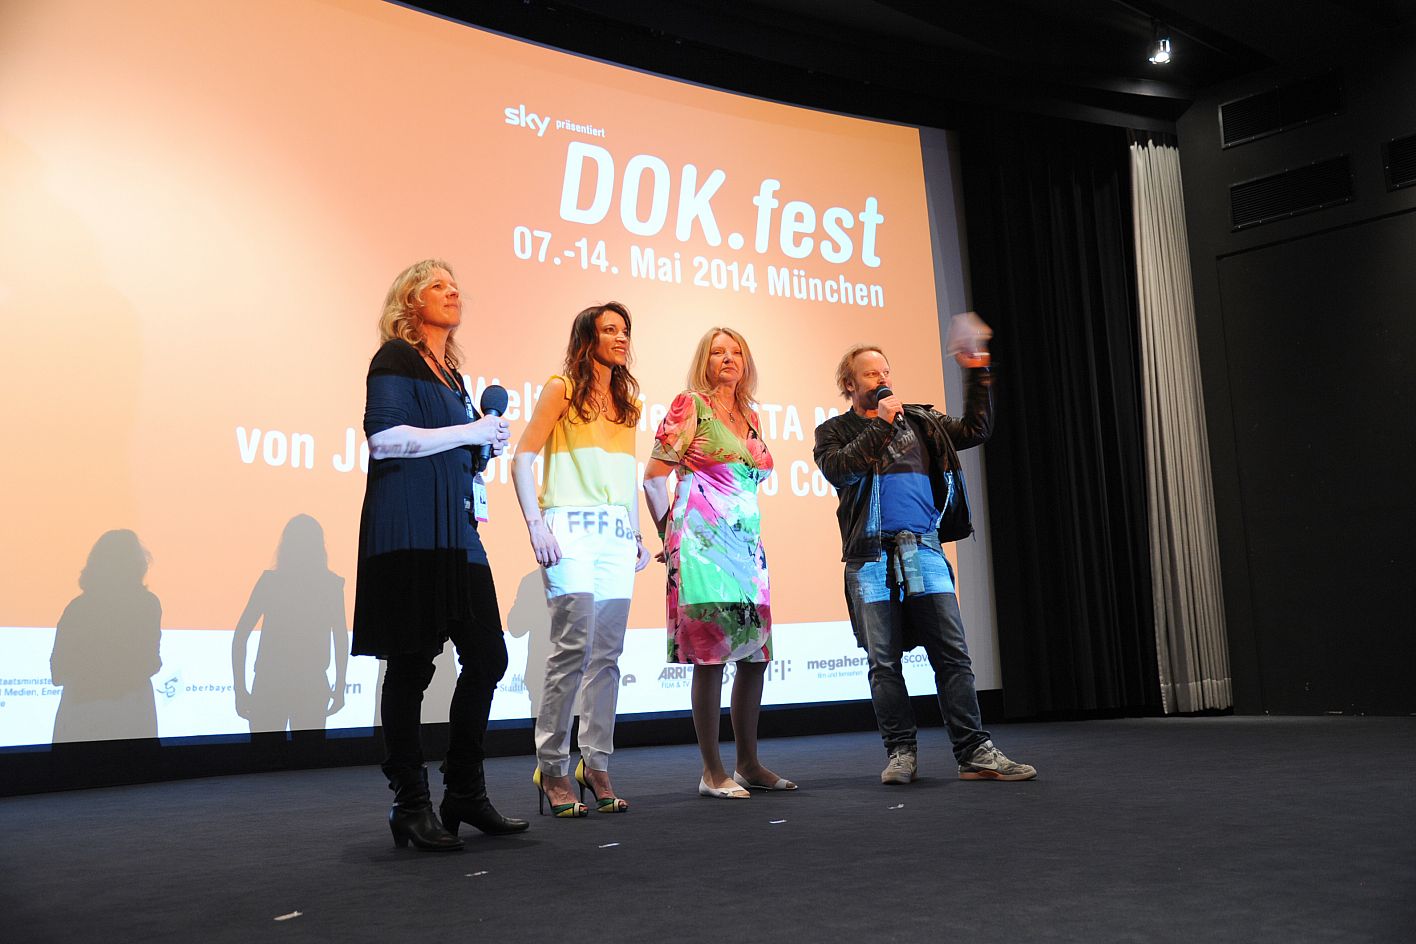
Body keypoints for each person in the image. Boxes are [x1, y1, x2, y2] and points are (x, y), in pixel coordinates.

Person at [811, 315, 1036, 785]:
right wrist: (881, 423)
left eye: (885, 371)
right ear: (850, 384)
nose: (882, 379)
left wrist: (976, 369)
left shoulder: (921, 421)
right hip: (870, 557)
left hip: (924, 551)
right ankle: (901, 753)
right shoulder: (833, 431)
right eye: (871, 373)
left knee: (953, 654)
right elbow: (843, 470)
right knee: (884, 663)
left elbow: (976, 429)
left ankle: (974, 752)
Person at [352, 259, 527, 852]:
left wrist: (483, 447)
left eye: (456, 286)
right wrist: (469, 433)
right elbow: (385, 439)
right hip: (408, 528)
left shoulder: (453, 377)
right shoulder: (395, 359)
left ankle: (463, 791)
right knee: (411, 664)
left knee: (489, 656)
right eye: (438, 286)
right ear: (410, 300)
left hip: (455, 530)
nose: (453, 292)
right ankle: (410, 803)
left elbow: (454, 452)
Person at [512, 302, 651, 816]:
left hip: (614, 532)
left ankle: (596, 764)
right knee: (573, 647)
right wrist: (535, 524)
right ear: (587, 339)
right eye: (610, 330)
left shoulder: (627, 402)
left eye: (625, 330)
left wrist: (636, 532)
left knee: (608, 655)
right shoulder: (562, 389)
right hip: (568, 527)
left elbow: (626, 475)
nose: (621, 338)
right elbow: (522, 458)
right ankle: (551, 767)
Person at [644, 327, 794, 799]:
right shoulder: (691, 405)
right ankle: (712, 772)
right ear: (704, 361)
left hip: (746, 550)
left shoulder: (750, 415)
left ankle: (748, 764)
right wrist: (670, 536)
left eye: (736, 352)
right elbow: (652, 479)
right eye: (718, 352)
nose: (728, 358)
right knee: (709, 658)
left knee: (755, 658)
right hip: (702, 549)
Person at [231, 514, 348, 736]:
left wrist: (239, 689)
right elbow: (340, 638)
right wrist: (340, 685)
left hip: (270, 682)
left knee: (267, 753)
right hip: (311, 683)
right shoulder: (331, 585)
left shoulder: (270, 582)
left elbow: (240, 636)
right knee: (307, 754)